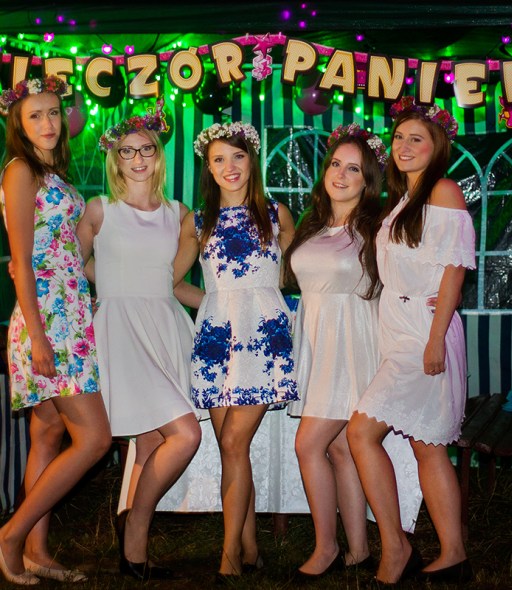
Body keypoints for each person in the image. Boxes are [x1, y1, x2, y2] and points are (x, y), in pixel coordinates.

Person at [347, 96, 476, 586]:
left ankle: (396, 547)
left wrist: (436, 338)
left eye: (415, 138)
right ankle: (453, 554)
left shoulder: (443, 190)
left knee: (361, 433)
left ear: (436, 146)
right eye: (398, 137)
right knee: (428, 447)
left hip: (425, 330)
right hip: (402, 327)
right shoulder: (406, 197)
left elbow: (454, 270)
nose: (403, 146)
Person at [76, 101, 203, 581]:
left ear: (158, 154)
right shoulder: (99, 209)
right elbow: (70, 266)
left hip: (165, 326)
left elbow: (174, 281)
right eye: (127, 151)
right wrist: (109, 286)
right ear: (115, 157)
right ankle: (134, 520)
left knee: (151, 440)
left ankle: (133, 555)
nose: (137, 159)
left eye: (145, 149)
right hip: (121, 330)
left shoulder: (179, 213)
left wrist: (225, 308)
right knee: (186, 434)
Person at [173, 121, 297, 580]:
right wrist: (213, 304)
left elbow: (301, 274)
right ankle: (249, 547)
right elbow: (172, 282)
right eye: (219, 159)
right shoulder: (197, 221)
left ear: (252, 160)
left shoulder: (277, 213)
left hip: (263, 338)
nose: (230, 167)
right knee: (232, 451)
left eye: (238, 156)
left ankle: (228, 556)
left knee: (231, 441)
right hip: (216, 341)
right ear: (208, 167)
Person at [0, 76, 112, 585]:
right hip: (48, 318)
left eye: (52, 113)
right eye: (34, 115)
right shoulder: (21, 170)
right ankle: (11, 534)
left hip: (70, 311)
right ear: (18, 124)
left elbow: (67, 251)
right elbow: (21, 261)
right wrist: (40, 337)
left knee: (46, 434)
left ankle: (37, 552)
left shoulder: (53, 173)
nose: (47, 123)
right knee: (95, 438)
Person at [284, 123, 386, 579]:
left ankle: (326, 548)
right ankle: (359, 552)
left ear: (368, 181)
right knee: (341, 449)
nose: (341, 175)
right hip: (316, 339)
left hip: (352, 342)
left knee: (308, 444)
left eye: (354, 169)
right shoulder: (313, 223)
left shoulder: (377, 227)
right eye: (335, 165)